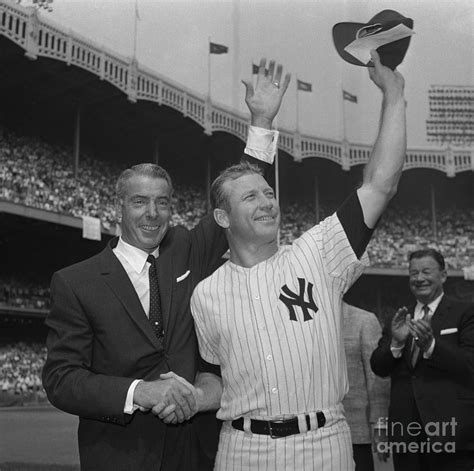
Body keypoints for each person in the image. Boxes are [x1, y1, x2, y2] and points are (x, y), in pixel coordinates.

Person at [154, 49, 407, 470]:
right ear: (222, 218)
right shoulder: (206, 294)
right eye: (250, 196)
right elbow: (213, 375)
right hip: (241, 449)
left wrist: (394, 95)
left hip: (322, 443)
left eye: (269, 193)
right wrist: (196, 396)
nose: (267, 202)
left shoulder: (318, 253)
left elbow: (381, 185)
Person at [41, 59, 290, 471]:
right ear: (118, 206)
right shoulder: (75, 282)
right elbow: (61, 380)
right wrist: (139, 392)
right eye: (139, 201)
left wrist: (261, 120)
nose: (152, 213)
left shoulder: (185, 249)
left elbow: (238, 194)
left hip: (196, 450)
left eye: (162, 202)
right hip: (122, 454)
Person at [370, 248, 474, 471]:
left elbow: (470, 364)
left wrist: (432, 346)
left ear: (443, 275)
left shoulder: (465, 312)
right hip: (406, 435)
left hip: (451, 433)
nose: (419, 278)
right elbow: (378, 366)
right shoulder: (399, 317)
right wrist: (396, 344)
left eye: (426, 271)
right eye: (414, 273)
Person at [342, 301, 390, 471]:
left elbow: (377, 377)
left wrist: (381, 425)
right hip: (313, 436)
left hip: (355, 431)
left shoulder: (364, 320)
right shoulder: (306, 324)